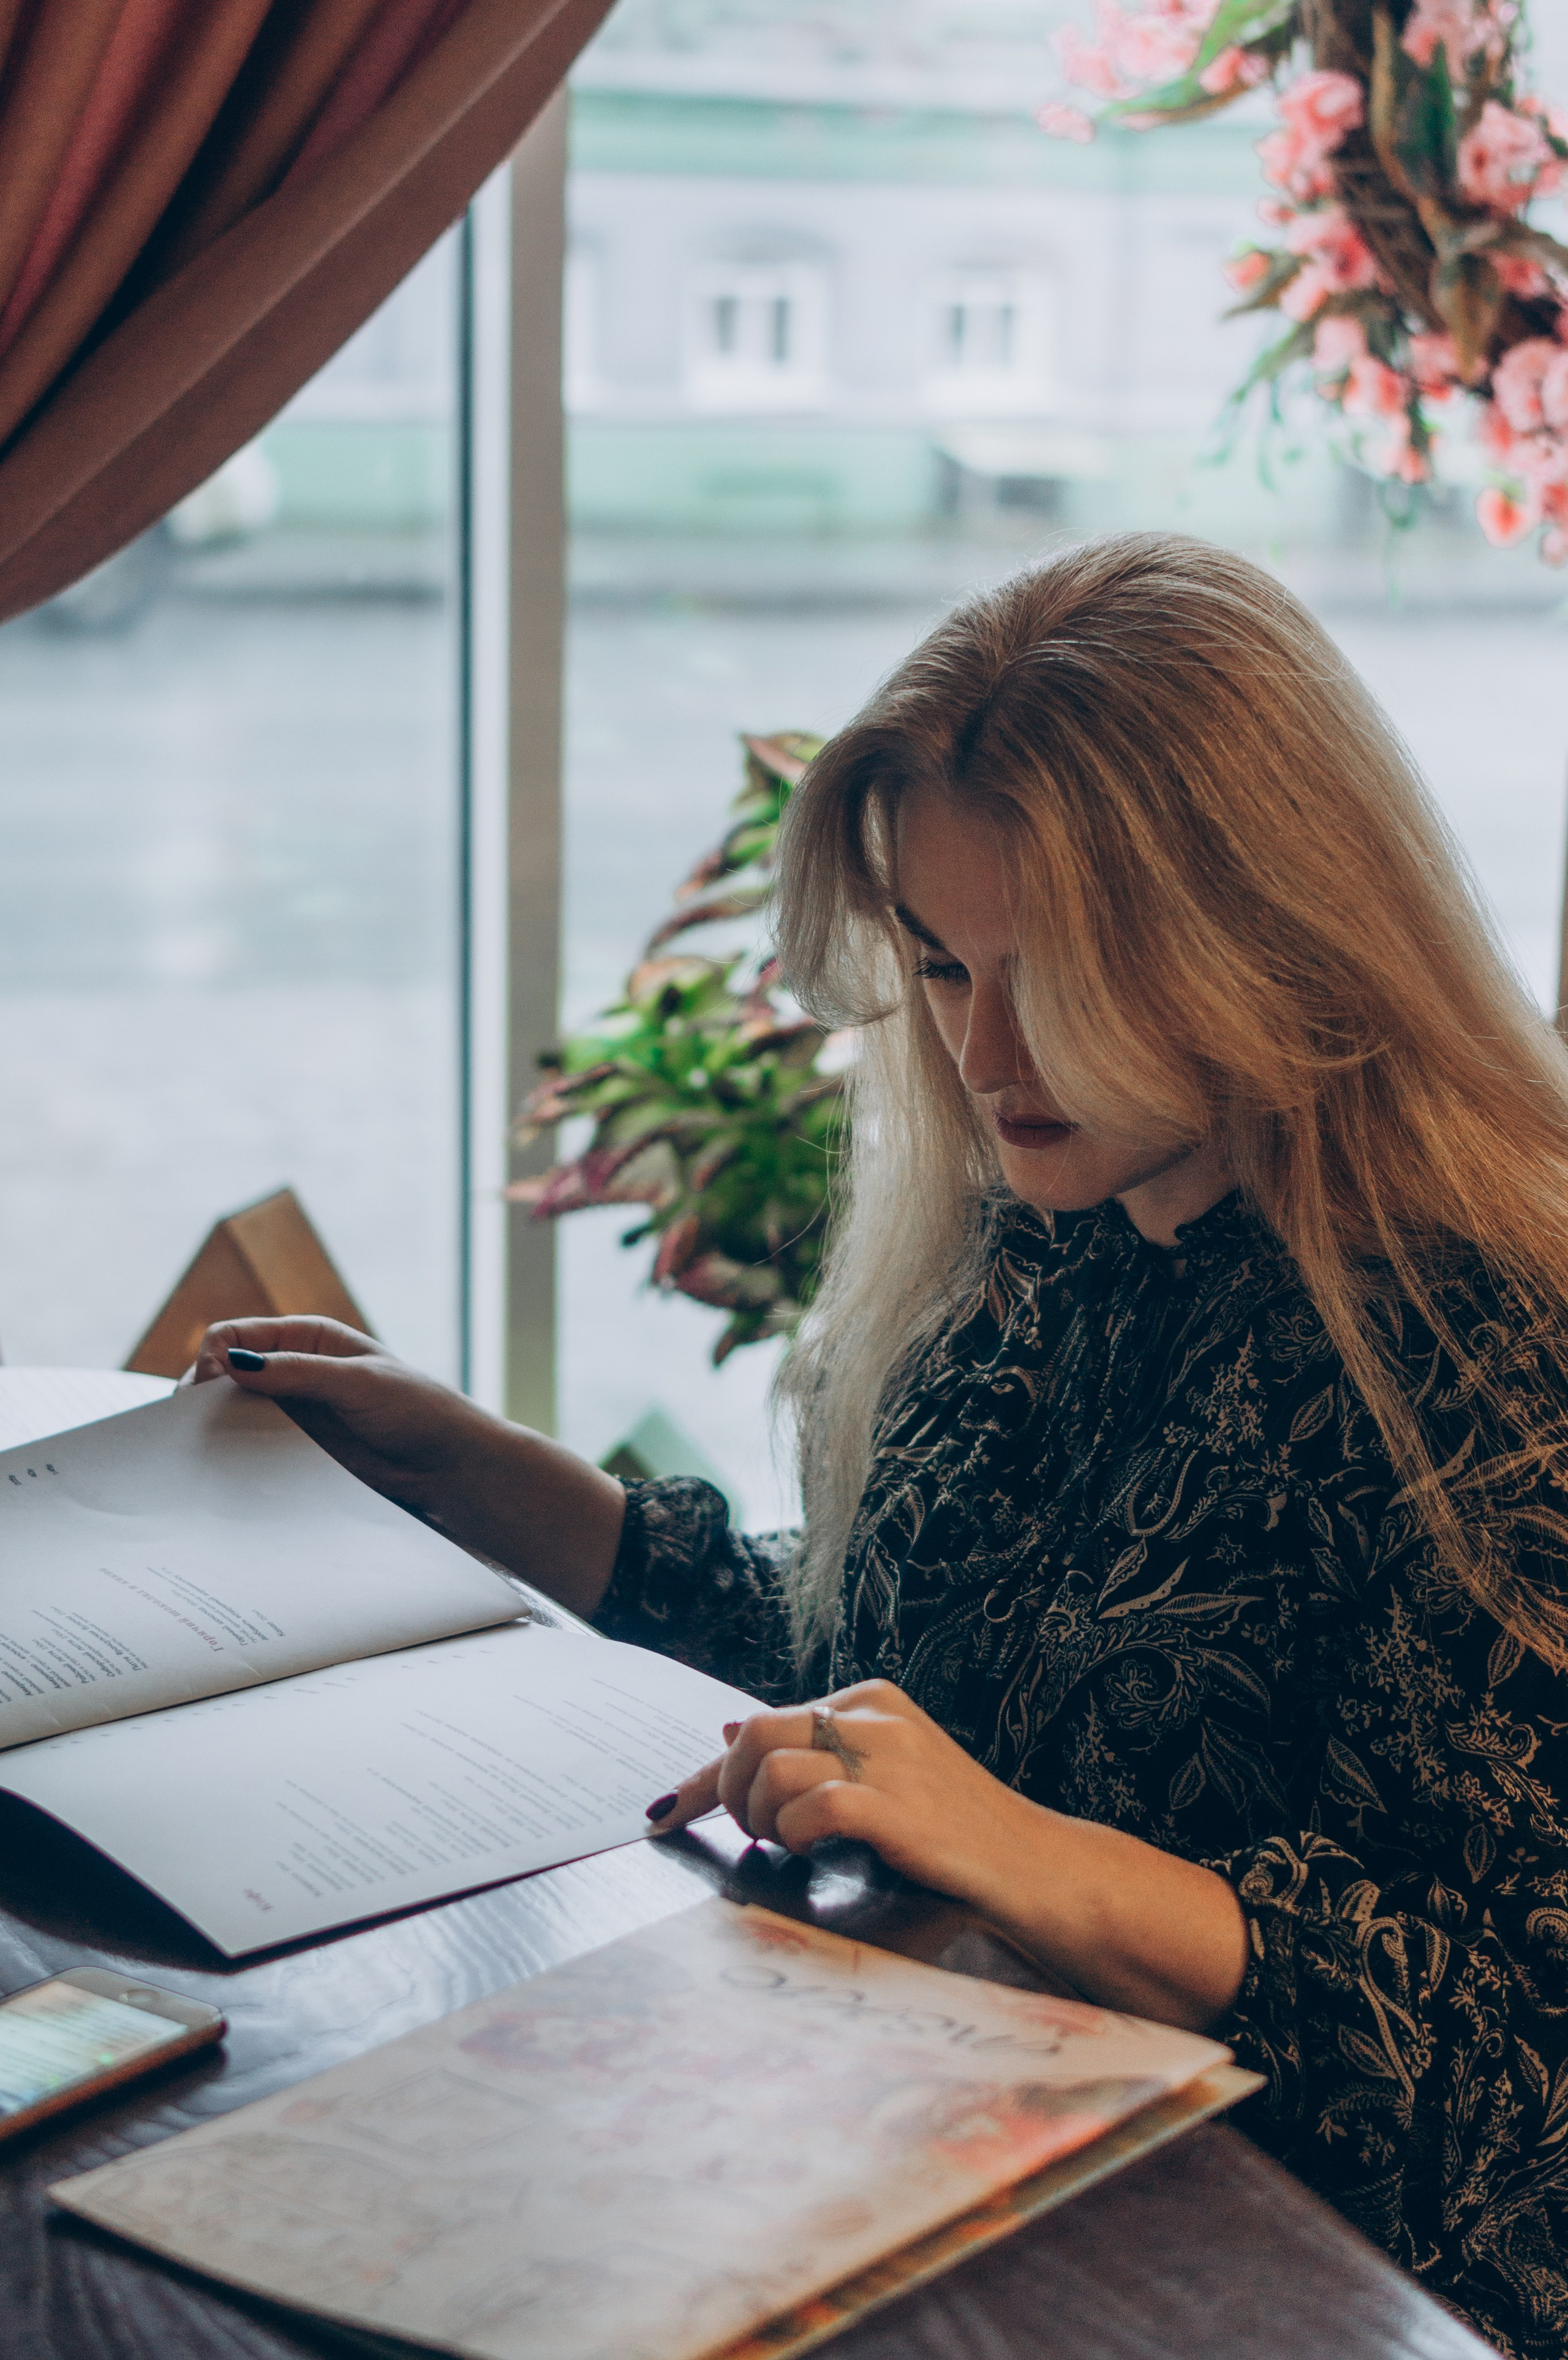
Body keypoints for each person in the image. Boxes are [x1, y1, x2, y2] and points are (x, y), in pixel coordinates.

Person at [197, 532, 1568, 2356]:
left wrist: (1027, 1850)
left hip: (1284, 2283)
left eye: (1054, 970)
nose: (984, 1051)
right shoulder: (1055, 1225)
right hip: (956, 2157)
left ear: (1267, 935)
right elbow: (889, 1677)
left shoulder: (1494, 1347)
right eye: (937, 966)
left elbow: (1509, 2075)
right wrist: (475, 1474)